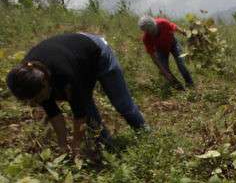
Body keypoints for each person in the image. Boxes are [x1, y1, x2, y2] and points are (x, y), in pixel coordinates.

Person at [6, 33, 148, 153]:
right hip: (74, 58)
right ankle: (110, 148)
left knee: (122, 105)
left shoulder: (64, 74)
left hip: (97, 52)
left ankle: (147, 136)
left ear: (45, 83)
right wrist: (63, 144)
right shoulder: (28, 77)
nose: (34, 104)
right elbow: (54, 114)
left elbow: (79, 114)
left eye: (37, 99)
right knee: (90, 114)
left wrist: (76, 144)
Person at [138, 16, 193, 90]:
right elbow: (153, 57)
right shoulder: (146, 38)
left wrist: (185, 33)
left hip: (173, 44)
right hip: (161, 50)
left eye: (152, 30)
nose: (151, 33)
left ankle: (190, 84)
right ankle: (180, 89)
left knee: (181, 65)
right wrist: (165, 72)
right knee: (165, 71)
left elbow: (174, 27)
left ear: (154, 25)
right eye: (148, 32)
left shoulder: (163, 23)